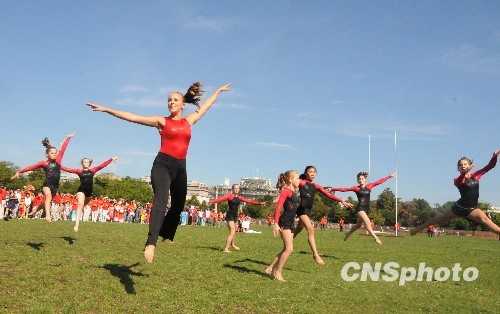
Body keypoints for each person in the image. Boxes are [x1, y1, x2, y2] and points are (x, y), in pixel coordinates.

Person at [87, 82, 231, 263]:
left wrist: (217, 92)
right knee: (161, 200)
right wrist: (107, 109)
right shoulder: (162, 121)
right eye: (169, 100)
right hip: (162, 165)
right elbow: (133, 117)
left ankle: (166, 233)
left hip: (181, 167)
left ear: (182, 104)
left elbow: (206, 107)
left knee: (179, 204)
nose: (171, 102)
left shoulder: (189, 120)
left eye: (175, 100)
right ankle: (151, 243)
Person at [412, 150, 500, 236]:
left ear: (469, 165)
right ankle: (417, 229)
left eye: (465, 164)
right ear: (458, 168)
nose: (463, 166)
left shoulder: (476, 176)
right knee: (438, 219)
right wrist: (465, 173)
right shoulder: (457, 180)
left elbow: (490, 166)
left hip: (472, 209)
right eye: (460, 165)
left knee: (486, 220)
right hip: (459, 208)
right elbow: (460, 180)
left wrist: (495, 156)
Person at [294, 166, 352, 265]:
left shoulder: (316, 186)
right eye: (310, 171)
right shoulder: (301, 182)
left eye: (314, 172)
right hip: (301, 210)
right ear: (306, 173)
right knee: (311, 229)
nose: (312, 173)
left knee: (298, 229)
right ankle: (315, 255)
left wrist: (341, 200)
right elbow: (290, 183)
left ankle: (288, 238)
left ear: (316, 174)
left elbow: (328, 194)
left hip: (308, 211)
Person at [11, 134, 74, 222]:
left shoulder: (58, 160)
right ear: (47, 155)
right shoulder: (43, 163)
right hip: (47, 184)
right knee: (48, 196)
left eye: (55, 153)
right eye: (52, 153)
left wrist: (68, 138)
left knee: (46, 201)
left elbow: (63, 148)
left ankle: (35, 210)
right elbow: (30, 167)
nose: (54, 154)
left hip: (55, 186)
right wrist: (19, 171)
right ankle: (48, 216)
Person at [330, 171, 395, 245]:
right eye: (359, 179)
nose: (360, 180)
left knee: (358, 225)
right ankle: (375, 238)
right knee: (368, 223)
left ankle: (348, 233)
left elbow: (379, 182)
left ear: (365, 179)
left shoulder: (369, 186)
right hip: (360, 208)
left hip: (366, 209)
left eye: (362, 178)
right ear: (358, 180)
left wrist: (389, 176)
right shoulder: (356, 188)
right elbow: (345, 189)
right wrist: (333, 189)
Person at [62, 156, 118, 232]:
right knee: (80, 204)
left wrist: (111, 159)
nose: (86, 163)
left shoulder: (93, 170)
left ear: (89, 164)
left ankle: (80, 210)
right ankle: (76, 224)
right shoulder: (79, 171)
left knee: (84, 205)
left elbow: (102, 165)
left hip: (89, 192)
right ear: (82, 163)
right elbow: (68, 169)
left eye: (87, 162)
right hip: (81, 190)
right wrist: (58, 165)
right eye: (84, 162)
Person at [265, 170, 301, 282]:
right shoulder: (285, 191)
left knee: (286, 249)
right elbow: (279, 207)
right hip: (284, 222)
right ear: (290, 180)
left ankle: (270, 268)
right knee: (289, 249)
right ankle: (277, 272)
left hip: (291, 222)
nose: (299, 180)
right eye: (297, 178)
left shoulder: (294, 191)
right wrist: (275, 223)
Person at [209, 184, 264, 252]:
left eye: (237, 188)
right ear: (232, 189)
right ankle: (226, 248)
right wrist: (212, 201)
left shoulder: (239, 197)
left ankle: (233, 244)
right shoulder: (229, 196)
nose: (236, 189)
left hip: (235, 216)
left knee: (234, 231)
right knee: (232, 231)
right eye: (235, 188)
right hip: (230, 215)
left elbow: (249, 201)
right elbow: (220, 199)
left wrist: (259, 203)